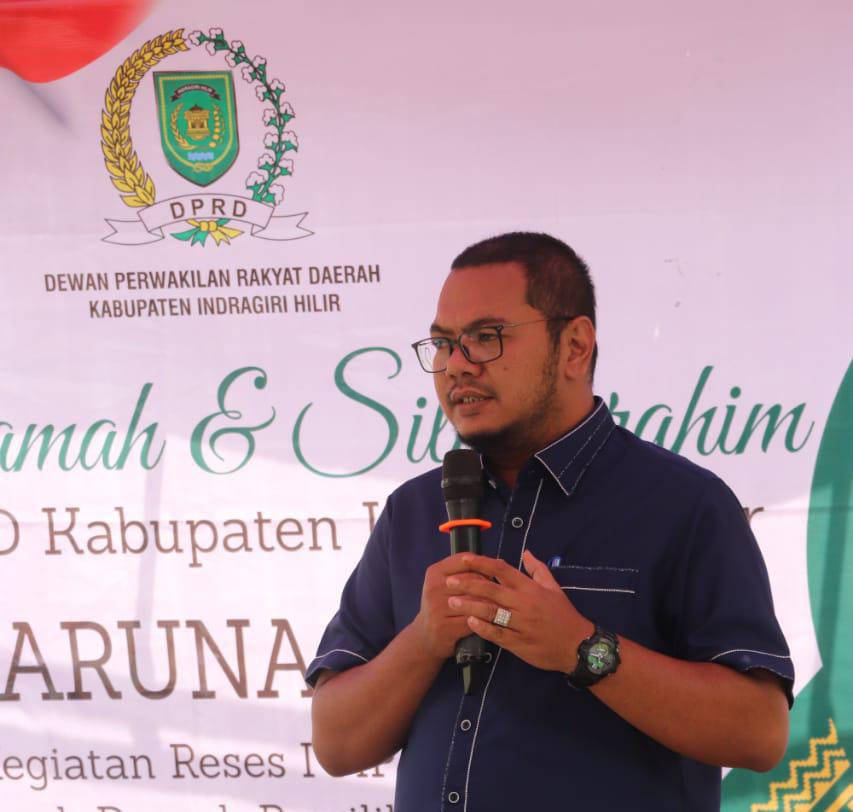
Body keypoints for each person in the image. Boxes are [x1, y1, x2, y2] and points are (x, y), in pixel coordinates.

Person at [306, 232, 793, 810]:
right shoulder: (414, 510)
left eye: (486, 337)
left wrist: (580, 648)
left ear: (575, 347)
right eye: (443, 344)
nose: (456, 365)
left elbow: (759, 732)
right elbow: (336, 745)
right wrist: (425, 638)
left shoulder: (685, 504)